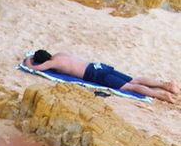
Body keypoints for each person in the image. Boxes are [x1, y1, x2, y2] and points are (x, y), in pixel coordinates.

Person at [23, 50, 179, 103]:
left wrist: (29, 59)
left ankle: (162, 96)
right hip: (98, 66)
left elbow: (32, 68)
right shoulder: (59, 54)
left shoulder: (53, 63)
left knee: (130, 87)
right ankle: (166, 85)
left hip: (94, 74)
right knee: (133, 80)